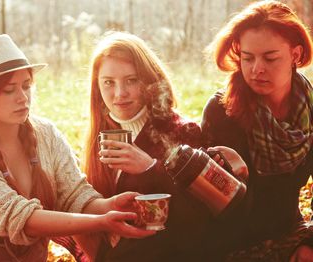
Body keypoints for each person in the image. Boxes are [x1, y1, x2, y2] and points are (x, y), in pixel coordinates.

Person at [0, 34, 156, 262]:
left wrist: (110, 205)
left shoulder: (46, 134)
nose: (23, 97)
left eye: (26, 86)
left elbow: (75, 195)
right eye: (9, 90)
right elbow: (22, 219)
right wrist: (101, 222)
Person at [55, 31, 246, 262]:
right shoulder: (99, 135)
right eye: (108, 82)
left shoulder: (182, 131)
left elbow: (202, 221)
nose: (119, 94)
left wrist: (150, 168)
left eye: (131, 80)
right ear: (97, 88)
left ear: (149, 80)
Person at [201, 1, 313, 260]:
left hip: (291, 233)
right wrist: (238, 178)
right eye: (247, 58)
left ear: (295, 55)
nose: (257, 69)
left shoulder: (309, 109)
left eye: (270, 58)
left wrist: (309, 242)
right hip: (229, 244)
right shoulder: (222, 111)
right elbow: (210, 206)